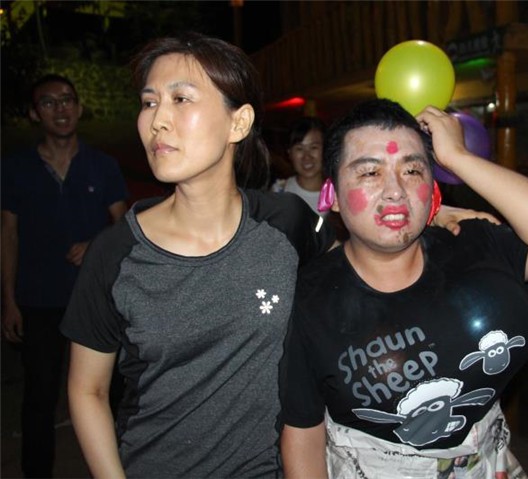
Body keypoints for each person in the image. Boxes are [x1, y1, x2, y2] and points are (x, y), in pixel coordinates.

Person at [57, 33, 483, 479]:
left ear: (238, 123)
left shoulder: (287, 223)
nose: (157, 120)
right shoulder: (116, 254)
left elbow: (363, 264)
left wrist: (427, 212)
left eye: (180, 99)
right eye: (149, 102)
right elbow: (88, 390)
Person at [279, 99, 528, 478]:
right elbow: (303, 432)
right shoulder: (308, 300)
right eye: (370, 172)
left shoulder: (472, 244)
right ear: (330, 196)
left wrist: (458, 158)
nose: (395, 191)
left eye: (412, 170)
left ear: (433, 189)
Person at [1, 73, 128, 478]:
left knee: (111, 392)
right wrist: (8, 300)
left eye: (68, 100)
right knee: (39, 396)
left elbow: (124, 227)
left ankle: (120, 468)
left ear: (79, 107)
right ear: (34, 113)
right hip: (38, 301)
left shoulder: (102, 166)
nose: (61, 109)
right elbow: (7, 233)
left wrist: (96, 244)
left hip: (95, 301)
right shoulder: (15, 168)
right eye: (49, 102)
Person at [271, 116, 326, 215]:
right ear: (289, 153)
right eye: (299, 149)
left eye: (314, 147)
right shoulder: (279, 192)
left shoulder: (337, 196)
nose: (307, 157)